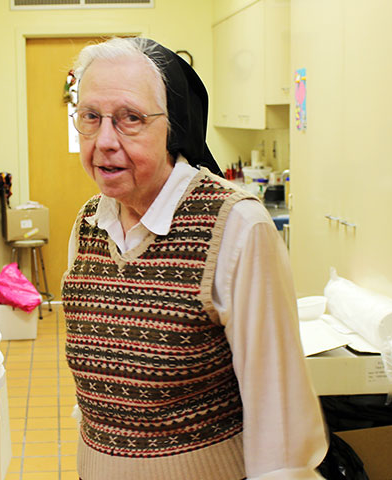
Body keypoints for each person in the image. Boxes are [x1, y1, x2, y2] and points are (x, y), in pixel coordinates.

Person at [61, 36, 328, 480]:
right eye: (90, 117)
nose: (104, 140)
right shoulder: (89, 222)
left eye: (130, 118)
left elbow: (279, 421)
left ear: (174, 127)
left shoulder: (236, 227)